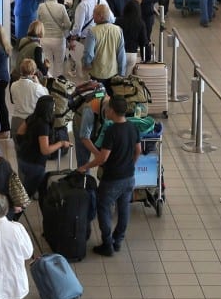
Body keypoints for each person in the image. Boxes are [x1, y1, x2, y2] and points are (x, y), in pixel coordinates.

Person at [76, 97, 139, 256]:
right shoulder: (133, 127)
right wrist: (131, 164)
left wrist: (85, 166)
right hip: (129, 177)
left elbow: (103, 158)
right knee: (123, 208)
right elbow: (138, 150)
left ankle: (107, 244)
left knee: (103, 207)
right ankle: (118, 241)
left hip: (112, 179)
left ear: (111, 110)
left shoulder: (111, 131)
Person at [15, 95, 71, 198]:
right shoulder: (43, 125)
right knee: (27, 194)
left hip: (23, 158)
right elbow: (45, 150)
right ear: (48, 108)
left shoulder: (32, 117)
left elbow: (19, 133)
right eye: (53, 107)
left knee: (30, 185)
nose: (54, 109)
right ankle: (19, 205)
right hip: (35, 164)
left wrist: (28, 143)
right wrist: (61, 143)